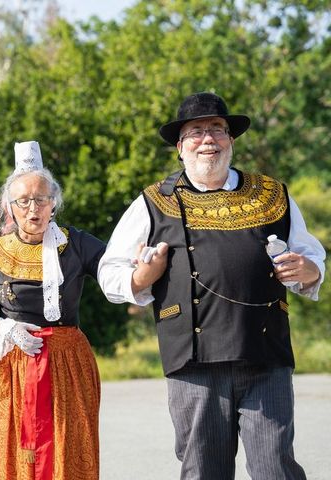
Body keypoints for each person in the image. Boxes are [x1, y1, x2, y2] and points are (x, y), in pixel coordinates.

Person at [97, 92, 326, 479]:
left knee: (276, 469)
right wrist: (143, 276)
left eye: (217, 130)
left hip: (265, 354)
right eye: (196, 132)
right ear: (180, 148)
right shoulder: (155, 201)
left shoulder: (272, 194)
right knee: (204, 470)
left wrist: (309, 271)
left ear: (231, 141)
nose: (208, 139)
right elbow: (110, 272)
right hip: (194, 361)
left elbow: (312, 258)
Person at [0, 141, 106, 480]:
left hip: (67, 365)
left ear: (54, 203)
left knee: (68, 451)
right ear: (9, 207)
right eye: (23, 201)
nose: (32, 208)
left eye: (41, 199)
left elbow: (116, 273)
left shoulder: (76, 243)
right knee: (11, 454)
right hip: (11, 366)